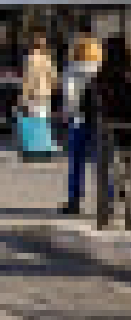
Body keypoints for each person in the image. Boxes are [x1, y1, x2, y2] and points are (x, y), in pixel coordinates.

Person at [69, 36, 131, 221]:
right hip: (126, 131)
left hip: (105, 129)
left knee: (104, 169)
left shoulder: (100, 78)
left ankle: (104, 209)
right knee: (124, 171)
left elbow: (85, 105)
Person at [60, 36, 104, 214]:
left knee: (76, 162)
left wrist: (67, 115)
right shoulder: (101, 68)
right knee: (102, 162)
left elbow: (69, 97)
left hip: (79, 119)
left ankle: (74, 201)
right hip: (100, 120)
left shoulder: (71, 70)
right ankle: (107, 200)